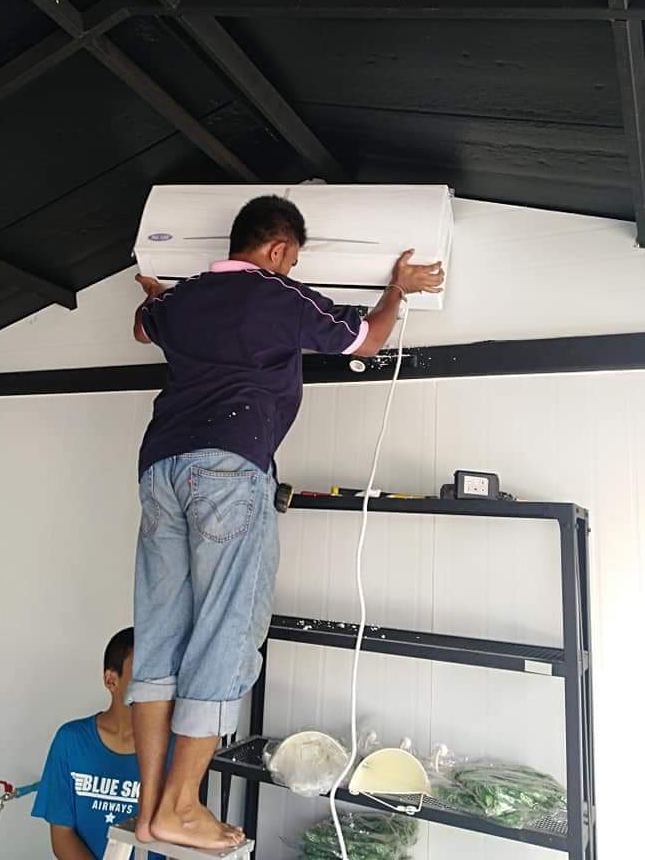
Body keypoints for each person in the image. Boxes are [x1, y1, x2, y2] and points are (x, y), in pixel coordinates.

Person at [128, 195, 444, 850]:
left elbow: (142, 325)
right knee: (226, 629)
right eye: (292, 259)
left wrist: (158, 294)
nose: (291, 268)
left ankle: (152, 805)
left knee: (160, 636)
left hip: (159, 470)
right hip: (228, 468)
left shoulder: (181, 301)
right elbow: (368, 338)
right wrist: (398, 289)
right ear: (277, 250)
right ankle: (181, 806)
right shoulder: (274, 295)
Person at [32, 627, 170, 859]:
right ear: (111, 680)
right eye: (143, 675)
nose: (154, 688)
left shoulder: (174, 748)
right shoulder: (70, 741)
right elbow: (62, 835)